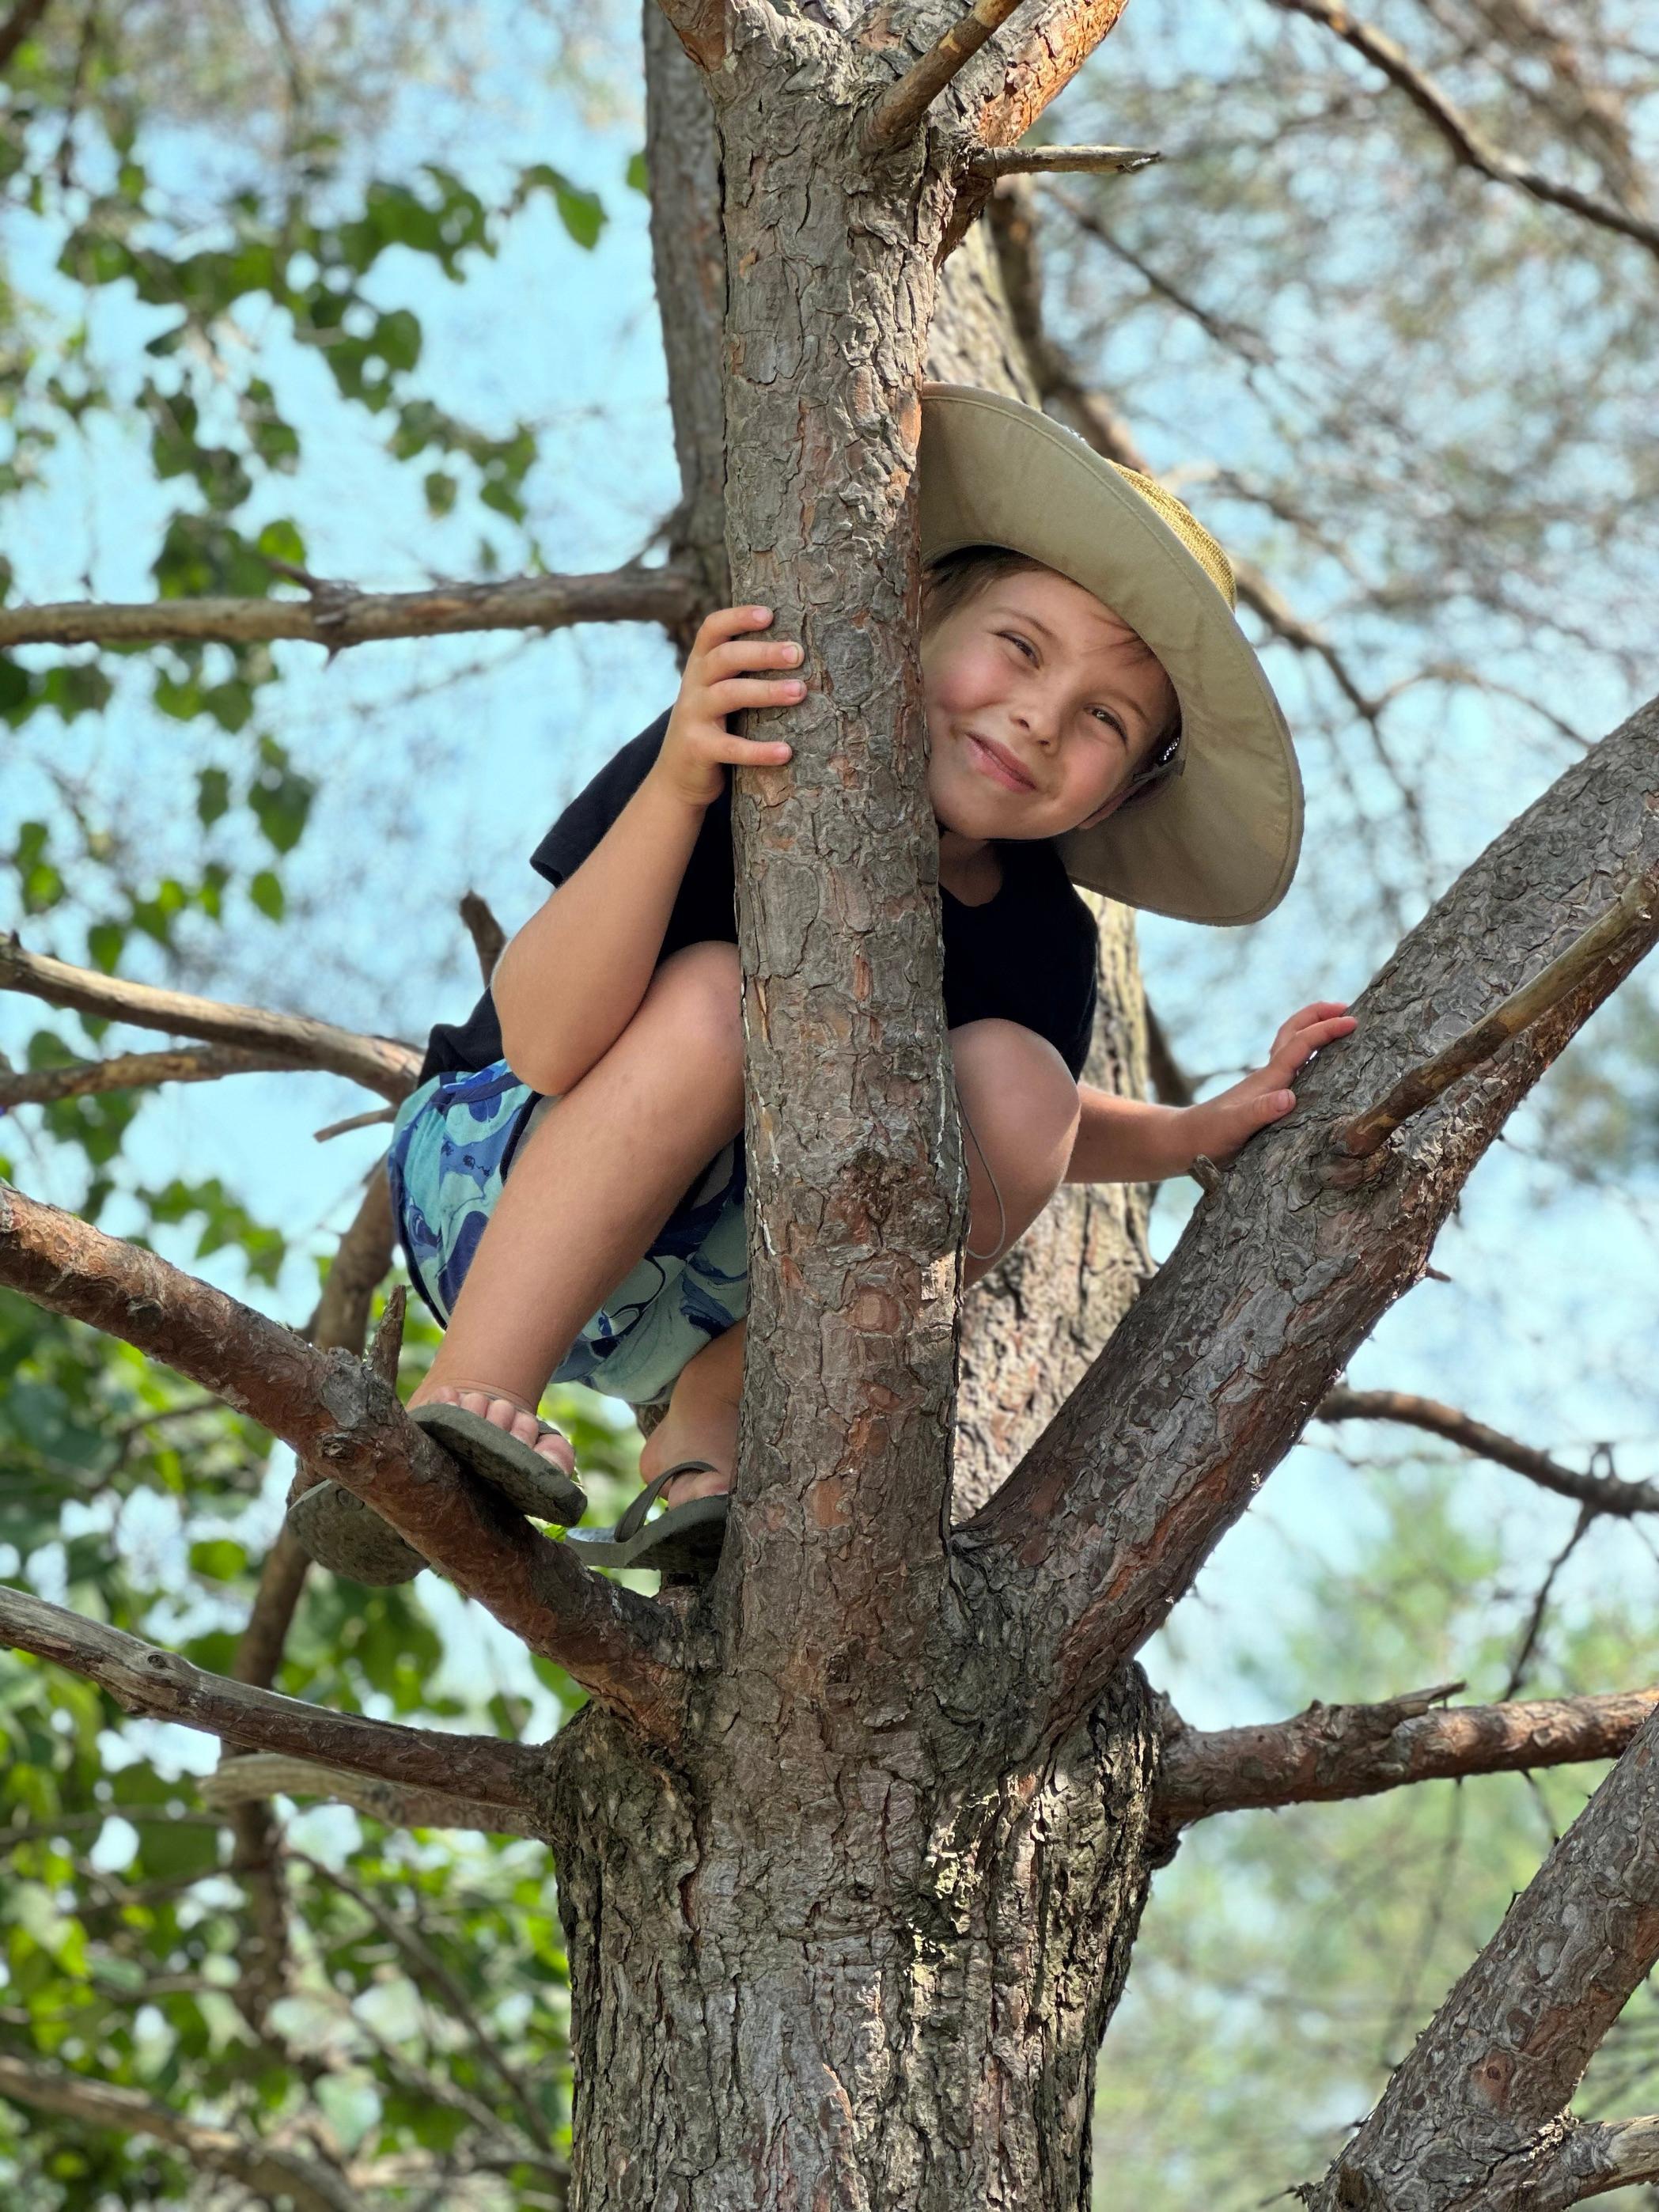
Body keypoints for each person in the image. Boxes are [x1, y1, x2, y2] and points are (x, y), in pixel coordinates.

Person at [288, 384, 1353, 1581]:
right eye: (1018, 646)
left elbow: (1032, 1139)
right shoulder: (745, 735)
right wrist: (684, 783)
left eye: (1101, 719)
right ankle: (471, 1391)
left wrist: (1190, 1130)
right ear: (916, 610)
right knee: (711, 997)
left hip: (711, 1278)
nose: (1039, 717)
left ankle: (710, 1422)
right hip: (500, 1171)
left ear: (1118, 797)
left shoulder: (1048, 937)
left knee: (1019, 1081)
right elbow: (539, 1039)